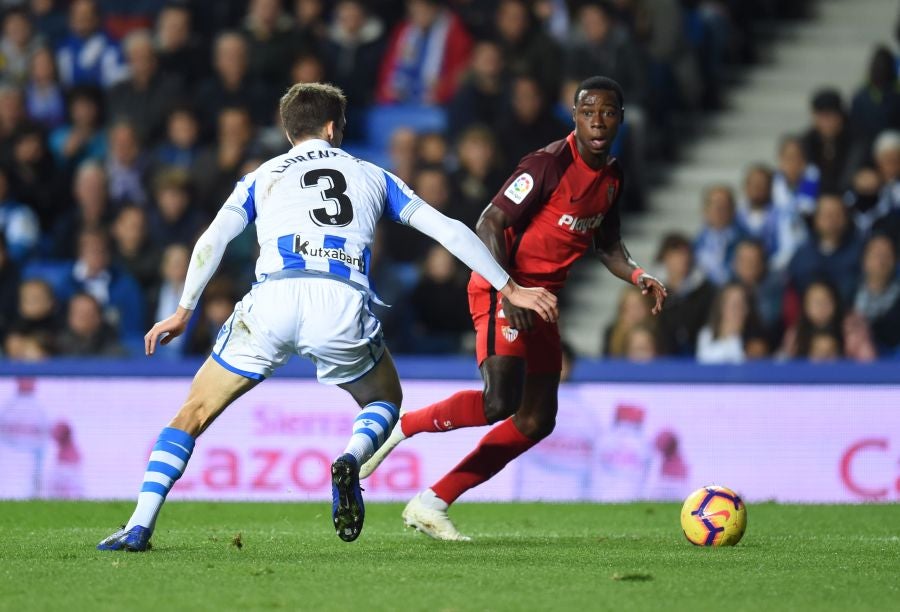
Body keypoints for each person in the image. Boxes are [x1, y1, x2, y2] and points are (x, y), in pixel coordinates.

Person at [96, 82, 556, 551]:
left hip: (273, 298)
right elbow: (451, 231)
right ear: (334, 127)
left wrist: (183, 309)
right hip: (340, 301)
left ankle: (139, 525)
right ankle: (351, 459)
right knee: (384, 401)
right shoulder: (373, 175)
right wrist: (510, 286)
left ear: (287, 128)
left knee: (191, 413)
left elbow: (211, 240)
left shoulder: (262, 175)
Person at [358, 77, 667, 541]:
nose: (598, 121)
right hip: (502, 286)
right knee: (498, 401)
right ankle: (403, 427)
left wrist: (639, 274)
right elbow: (490, 220)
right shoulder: (547, 164)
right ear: (575, 117)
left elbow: (608, 245)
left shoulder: (613, 177)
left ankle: (432, 501)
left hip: (541, 301)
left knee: (537, 420)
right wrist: (510, 290)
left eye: (607, 113)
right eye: (589, 112)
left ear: (620, 119)